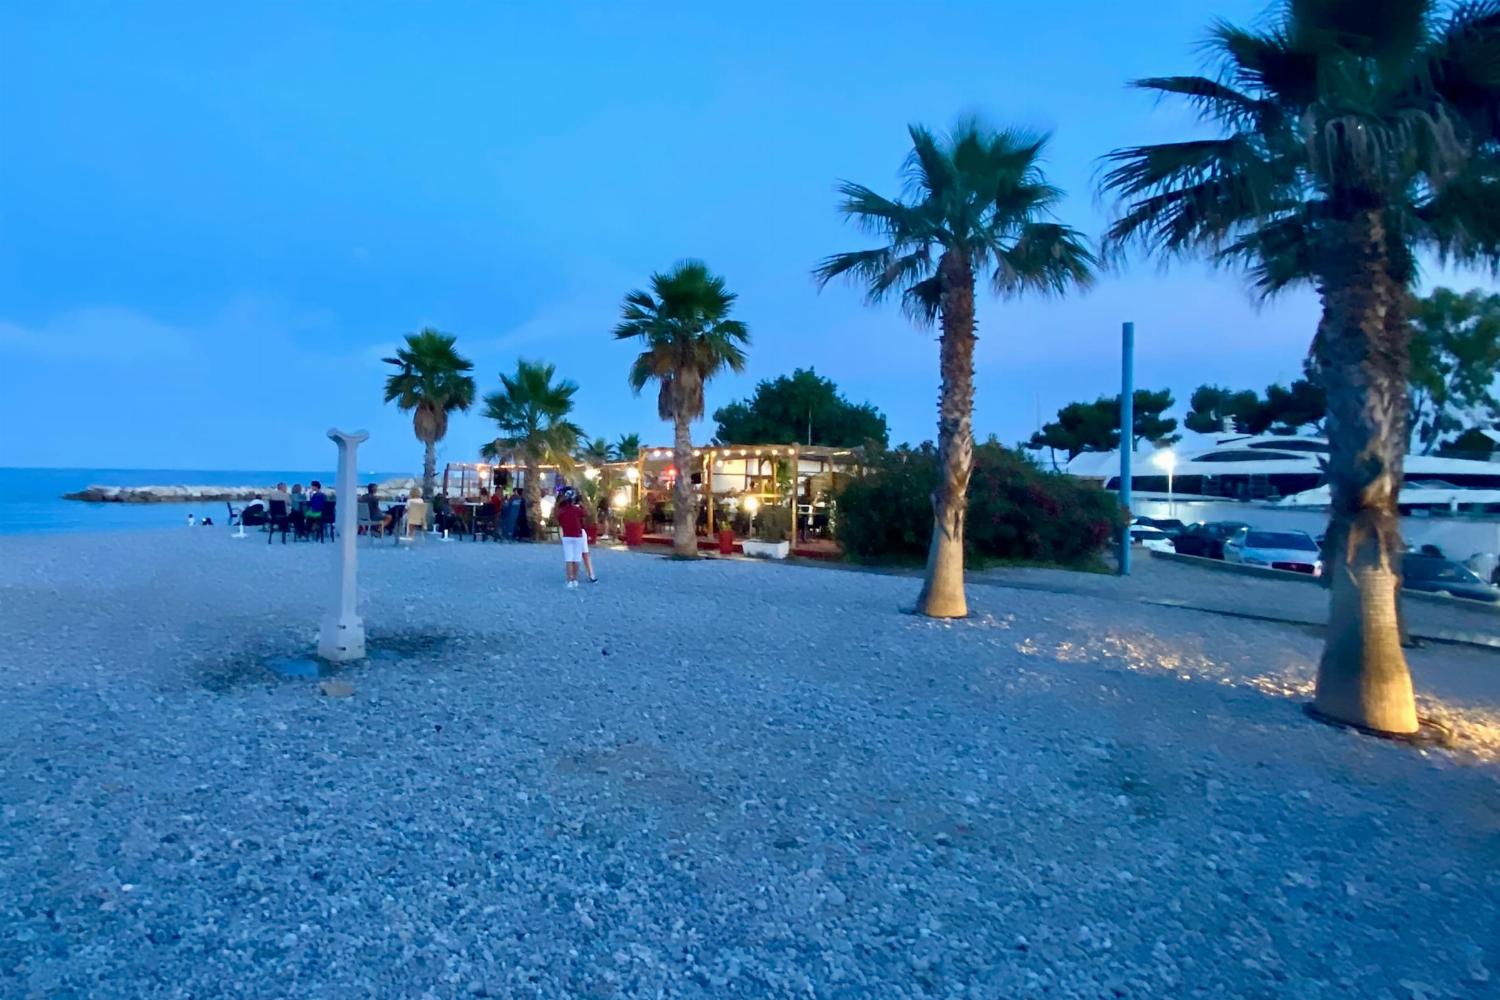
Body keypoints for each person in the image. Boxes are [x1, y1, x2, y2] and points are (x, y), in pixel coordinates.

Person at [556, 488, 596, 588]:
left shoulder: (562, 511)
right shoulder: (577, 509)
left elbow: (559, 520)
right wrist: (582, 506)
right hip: (577, 535)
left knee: (568, 558)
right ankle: (575, 579)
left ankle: (569, 580)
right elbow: (586, 514)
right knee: (577, 558)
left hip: (567, 535)